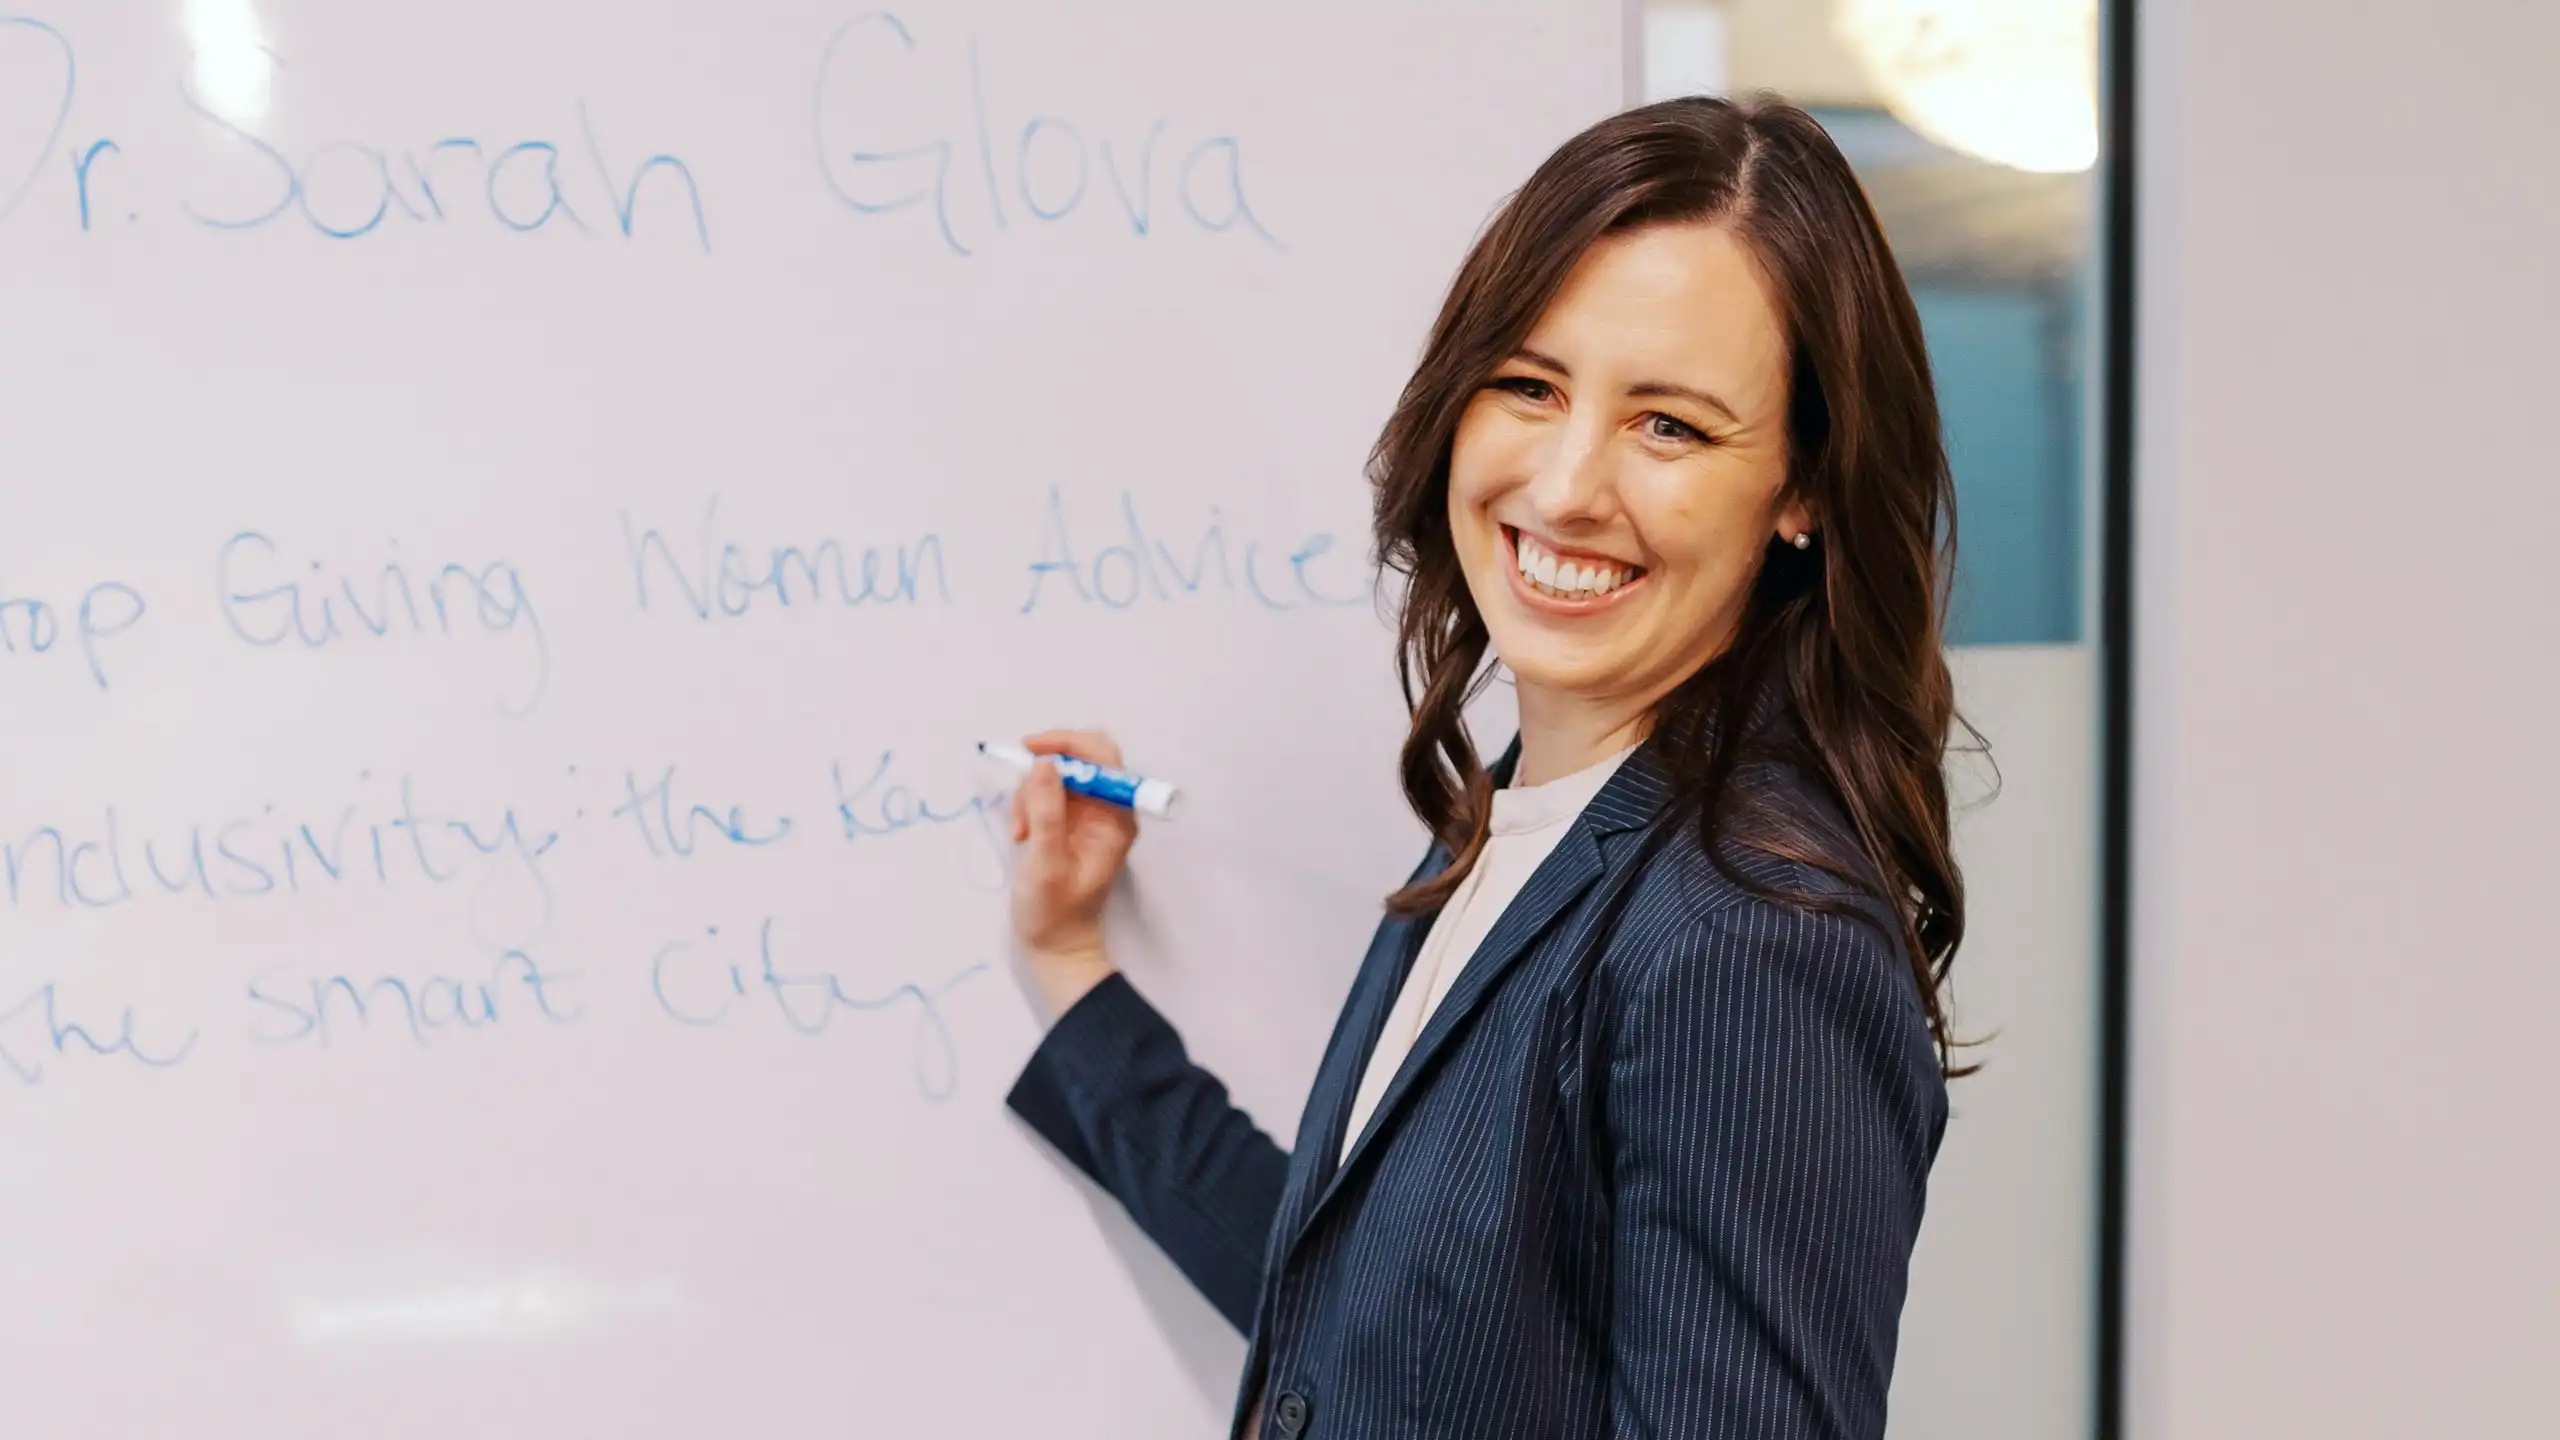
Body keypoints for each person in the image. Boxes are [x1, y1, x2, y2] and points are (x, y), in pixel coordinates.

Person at [1001, 94, 1963, 1440]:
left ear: (1802, 489)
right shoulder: (1529, 826)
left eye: (1669, 425)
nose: (1568, 486)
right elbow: (1349, 1342)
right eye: (1530, 385)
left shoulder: (1749, 930)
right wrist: (1069, 968)